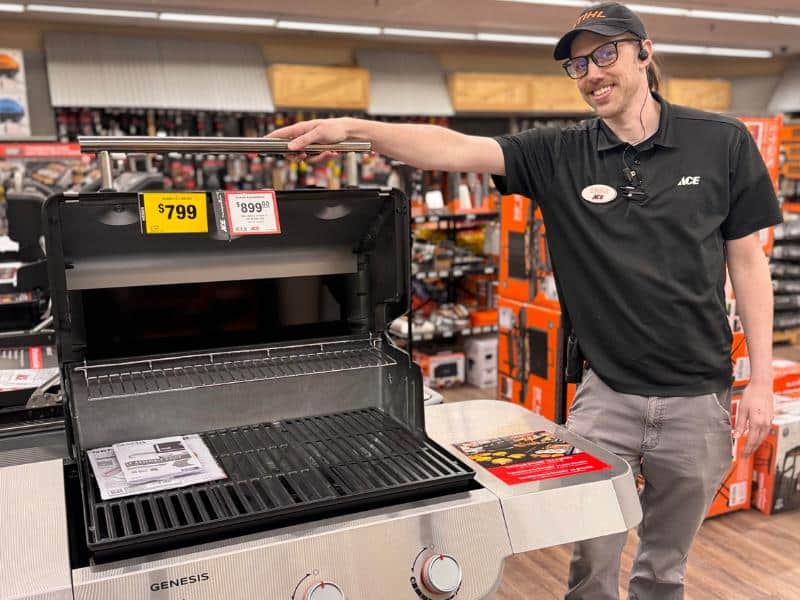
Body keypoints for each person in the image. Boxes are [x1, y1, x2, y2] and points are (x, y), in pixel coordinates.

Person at [269, 3, 781, 598]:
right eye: (577, 64)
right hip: (606, 398)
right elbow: (454, 148)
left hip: (699, 401)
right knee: (591, 564)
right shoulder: (557, 154)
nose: (591, 73)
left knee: (664, 567)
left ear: (645, 51)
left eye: (604, 53)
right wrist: (354, 130)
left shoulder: (721, 143)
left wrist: (763, 380)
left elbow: (748, 262)